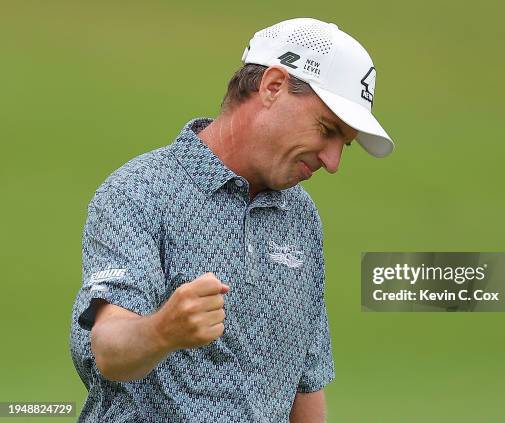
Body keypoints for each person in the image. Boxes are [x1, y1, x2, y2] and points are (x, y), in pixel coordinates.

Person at [69, 17, 393, 423]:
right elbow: (108, 350)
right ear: (272, 86)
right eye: (326, 130)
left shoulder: (301, 216)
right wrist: (162, 331)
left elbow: (305, 386)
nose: (332, 162)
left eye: (343, 145)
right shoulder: (140, 192)